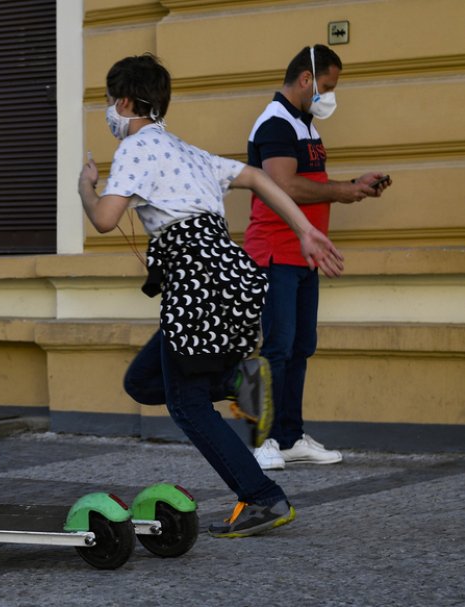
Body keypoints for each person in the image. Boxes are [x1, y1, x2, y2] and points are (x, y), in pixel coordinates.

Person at [78, 54, 344, 537]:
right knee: (142, 382)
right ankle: (241, 382)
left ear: (123, 101)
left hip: (196, 281)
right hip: (232, 273)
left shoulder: (136, 149)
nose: (108, 111)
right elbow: (259, 177)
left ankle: (264, 497)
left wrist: (86, 189)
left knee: (186, 405)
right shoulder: (185, 149)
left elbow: (104, 219)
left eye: (109, 102)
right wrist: (304, 229)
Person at [244, 45, 391, 471]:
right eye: (327, 87)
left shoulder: (303, 125)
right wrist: (343, 191)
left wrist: (353, 184)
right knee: (274, 348)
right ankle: (260, 441)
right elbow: (283, 186)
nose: (330, 97)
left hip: (304, 253)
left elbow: (310, 182)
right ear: (306, 79)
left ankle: (289, 437)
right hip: (273, 253)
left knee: (300, 346)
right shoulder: (274, 123)